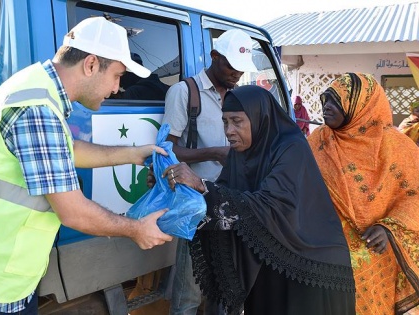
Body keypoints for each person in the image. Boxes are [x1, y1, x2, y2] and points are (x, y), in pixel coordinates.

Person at [0, 17, 173, 314]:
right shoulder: (37, 108)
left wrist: (134, 154)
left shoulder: (39, 86)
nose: (116, 88)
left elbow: (65, 150)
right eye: (116, 76)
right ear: (90, 64)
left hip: (0, 283)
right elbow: (73, 212)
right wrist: (137, 229)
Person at [158, 85, 356, 315]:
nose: (229, 131)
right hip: (271, 264)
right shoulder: (240, 154)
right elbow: (219, 202)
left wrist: (201, 185)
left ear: (258, 117)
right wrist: (176, 186)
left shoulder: (291, 147)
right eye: (225, 122)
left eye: (236, 121)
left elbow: (271, 206)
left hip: (309, 269)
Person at [162, 28, 258, 315]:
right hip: (196, 203)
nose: (237, 74)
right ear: (214, 56)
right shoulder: (184, 92)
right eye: (231, 66)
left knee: (226, 283)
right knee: (189, 289)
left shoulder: (239, 96)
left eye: (242, 69)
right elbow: (167, 149)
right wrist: (215, 153)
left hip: (231, 199)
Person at [308, 73, 419, 314]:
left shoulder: (396, 147)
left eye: (336, 101)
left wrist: (389, 227)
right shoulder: (318, 141)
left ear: (361, 106)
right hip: (324, 254)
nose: (327, 106)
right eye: (326, 99)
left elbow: (415, 195)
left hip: (376, 256)